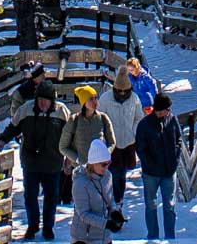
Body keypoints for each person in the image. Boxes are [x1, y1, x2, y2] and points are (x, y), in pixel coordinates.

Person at [10, 80, 70, 241]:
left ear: (52, 101)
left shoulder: (61, 111)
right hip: (30, 161)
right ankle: (33, 225)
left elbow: (70, 136)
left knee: (51, 197)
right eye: (40, 100)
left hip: (53, 163)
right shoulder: (26, 109)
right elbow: (13, 127)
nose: (43, 103)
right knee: (30, 196)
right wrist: (2, 139)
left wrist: (69, 158)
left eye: (46, 100)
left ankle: (48, 227)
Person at [135, 92, 181, 240]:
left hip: (169, 171)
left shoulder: (172, 119)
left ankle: (170, 238)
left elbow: (179, 140)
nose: (169, 111)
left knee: (170, 206)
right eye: (167, 109)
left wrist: (175, 160)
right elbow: (140, 149)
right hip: (151, 173)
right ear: (160, 110)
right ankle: (152, 237)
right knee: (151, 205)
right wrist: (150, 164)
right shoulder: (144, 125)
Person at [98, 66, 145, 207]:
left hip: (128, 142)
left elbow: (139, 117)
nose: (123, 94)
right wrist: (105, 138)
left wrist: (133, 132)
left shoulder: (134, 99)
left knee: (122, 175)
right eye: (120, 91)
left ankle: (119, 202)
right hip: (111, 144)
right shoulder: (105, 99)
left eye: (125, 91)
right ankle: (111, 203)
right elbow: (100, 120)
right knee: (112, 174)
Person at [71, 139, 122, 244]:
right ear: (93, 163)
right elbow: (83, 214)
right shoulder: (80, 183)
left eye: (108, 163)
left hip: (104, 237)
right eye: (103, 164)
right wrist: (106, 224)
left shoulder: (108, 176)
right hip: (83, 238)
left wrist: (114, 213)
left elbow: (110, 201)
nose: (106, 167)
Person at [60, 85, 116, 167]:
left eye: (96, 98)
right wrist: (77, 159)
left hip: (99, 168)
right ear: (84, 102)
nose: (95, 101)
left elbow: (112, 143)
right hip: (80, 169)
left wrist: (104, 155)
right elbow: (63, 147)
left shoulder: (103, 118)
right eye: (91, 99)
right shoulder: (74, 120)